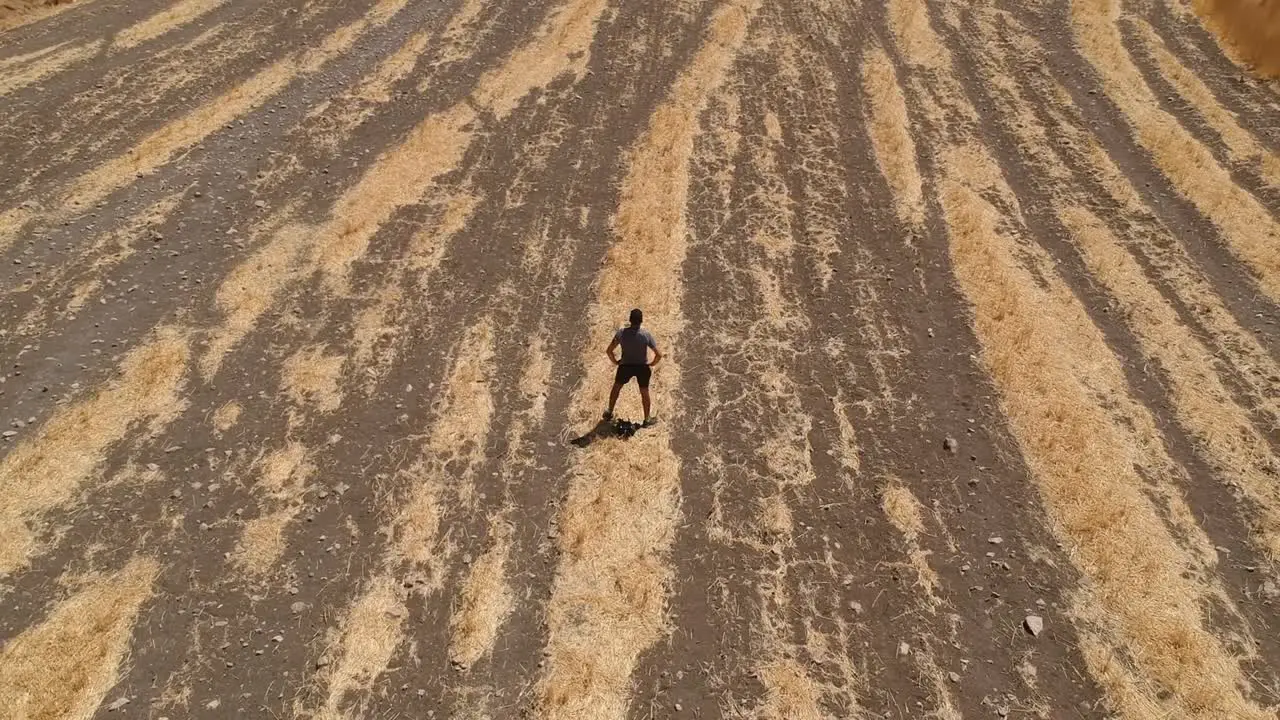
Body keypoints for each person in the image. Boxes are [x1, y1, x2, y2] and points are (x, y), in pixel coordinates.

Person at [603, 308, 662, 426]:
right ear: (641, 321)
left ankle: (609, 412)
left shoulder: (621, 333)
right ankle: (646, 419)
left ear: (630, 320)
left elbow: (609, 351)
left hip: (625, 366)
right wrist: (652, 364)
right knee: (644, 392)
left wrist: (615, 362)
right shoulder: (646, 335)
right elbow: (659, 355)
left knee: (616, 388)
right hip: (642, 367)